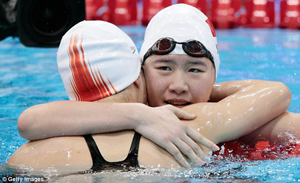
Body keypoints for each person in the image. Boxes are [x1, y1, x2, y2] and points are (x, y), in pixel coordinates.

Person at [14, 4, 298, 168]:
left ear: (214, 76)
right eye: (164, 68)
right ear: (140, 73)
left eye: (196, 70)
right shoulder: (200, 123)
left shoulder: (36, 149)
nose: (178, 86)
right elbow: (278, 92)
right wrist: (141, 114)